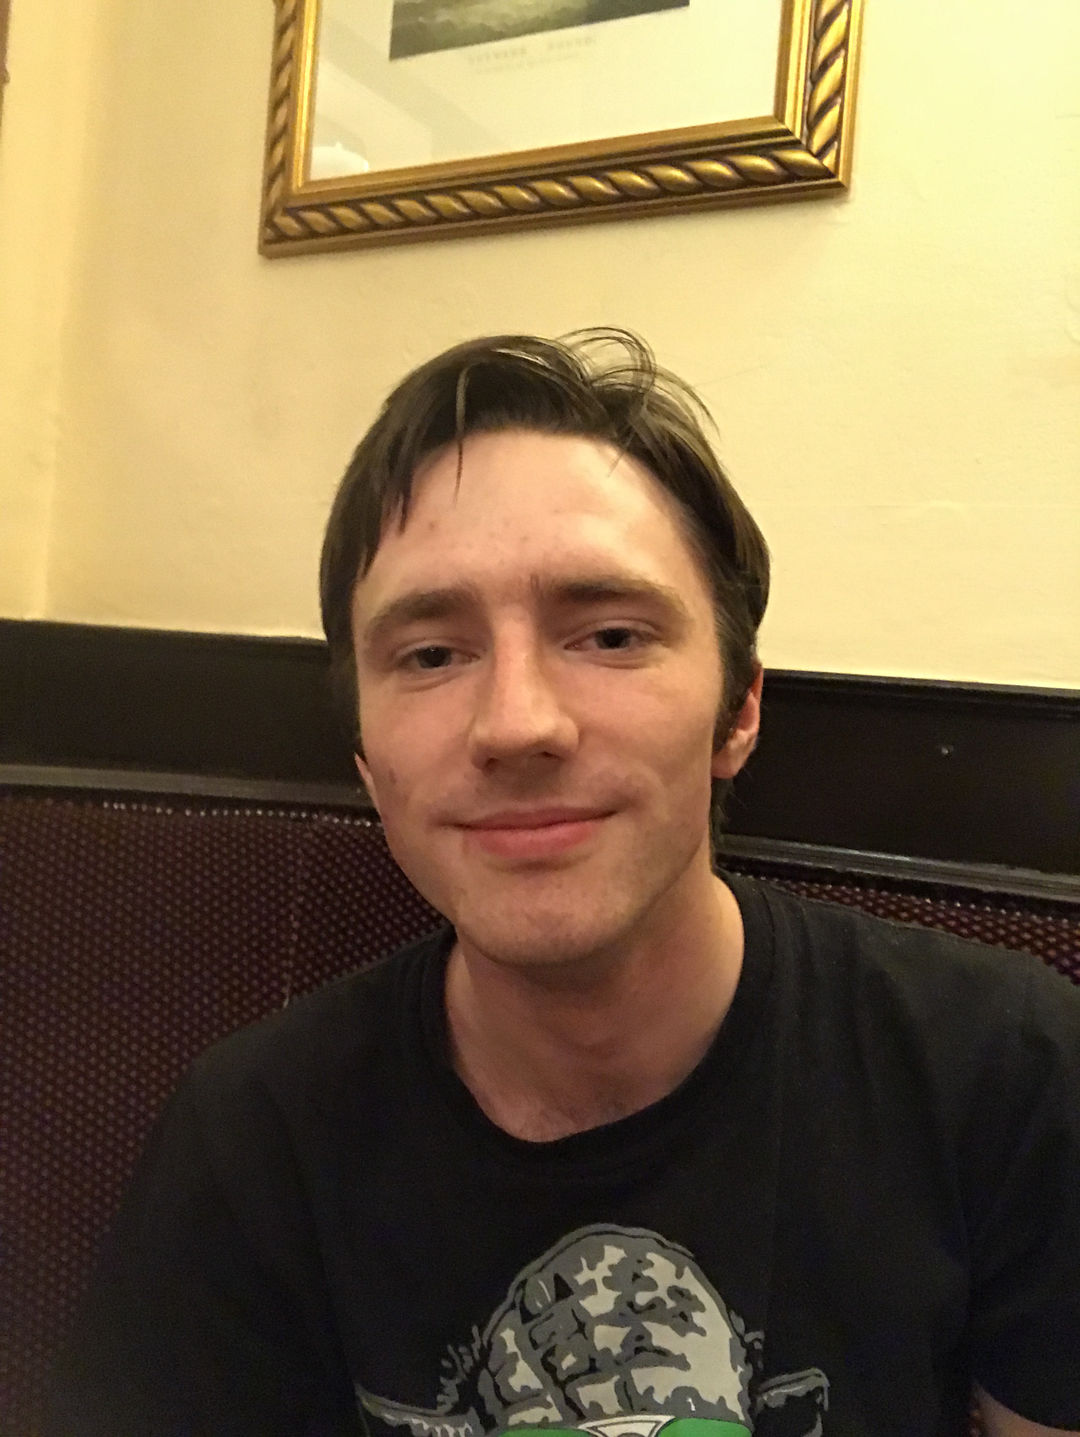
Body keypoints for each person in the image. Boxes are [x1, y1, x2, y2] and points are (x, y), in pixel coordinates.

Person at [47, 331, 1080, 1437]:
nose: (517, 723)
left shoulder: (1006, 1073)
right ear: (367, 763)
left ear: (739, 709)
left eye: (610, 634)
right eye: (431, 655)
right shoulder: (250, 1144)